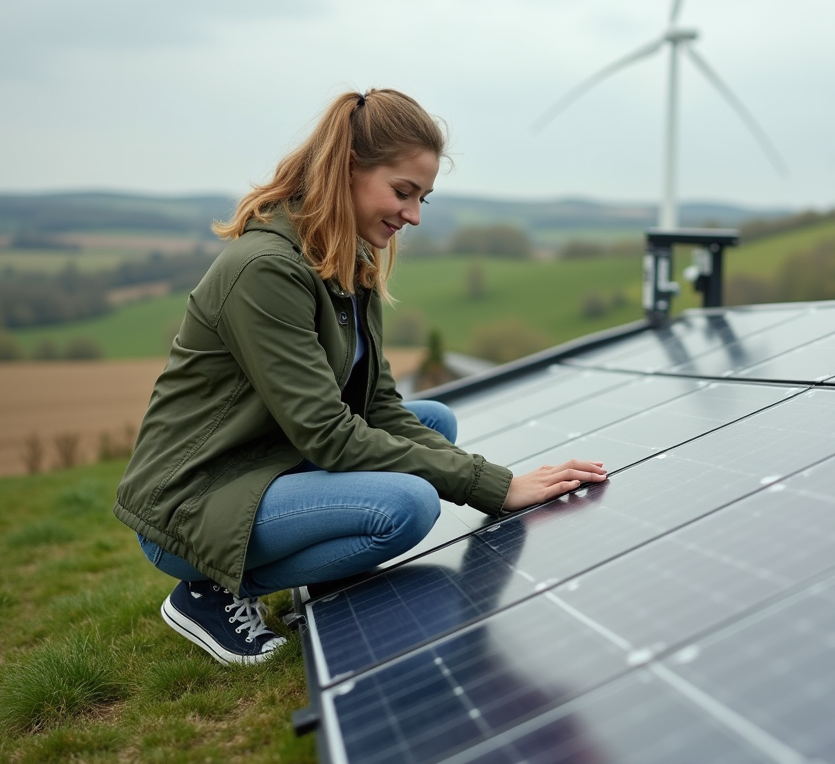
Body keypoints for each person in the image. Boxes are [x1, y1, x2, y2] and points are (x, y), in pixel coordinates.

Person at [114, 88, 607, 665]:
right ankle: (208, 589)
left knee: (433, 420)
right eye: (402, 192)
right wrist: (493, 488)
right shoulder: (266, 270)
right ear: (347, 169)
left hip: (265, 459)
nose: (414, 215)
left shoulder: (349, 261)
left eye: (422, 197)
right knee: (406, 507)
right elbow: (327, 432)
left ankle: (308, 575)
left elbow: (379, 407)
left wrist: (490, 484)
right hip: (195, 496)